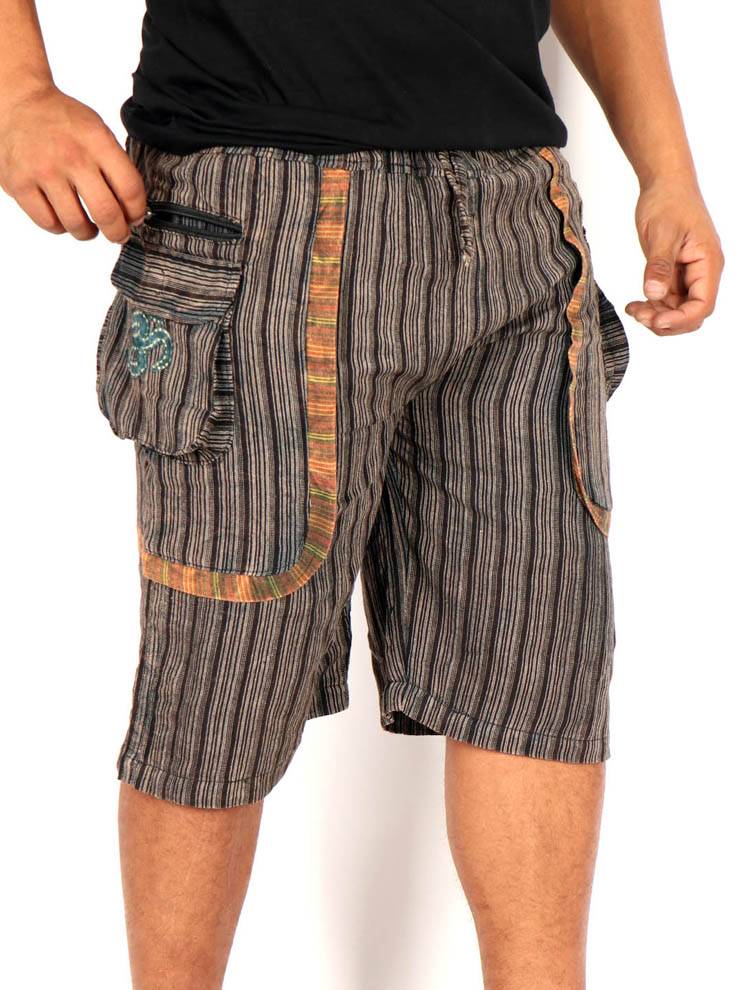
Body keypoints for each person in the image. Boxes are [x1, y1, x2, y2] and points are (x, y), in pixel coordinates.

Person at [0, 1, 724, 988]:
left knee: (538, 684)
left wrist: (667, 168)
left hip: (519, 216)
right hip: (261, 210)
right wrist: (16, 91)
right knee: (217, 702)